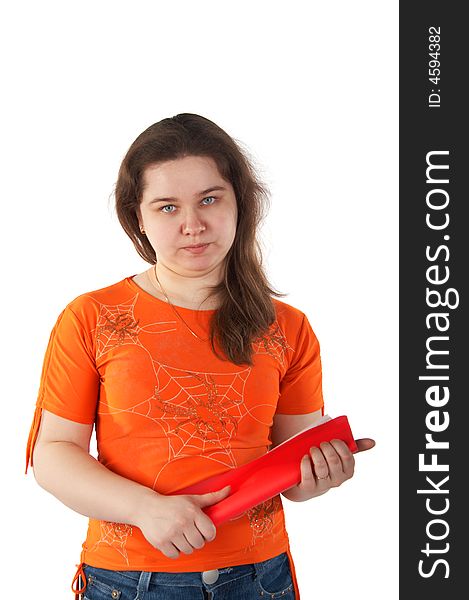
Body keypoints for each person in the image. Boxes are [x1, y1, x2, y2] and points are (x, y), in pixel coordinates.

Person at [25, 113, 375, 599]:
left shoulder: (287, 327)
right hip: (127, 580)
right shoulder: (91, 316)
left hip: (259, 577)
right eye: (167, 207)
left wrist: (321, 474)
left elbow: (293, 476)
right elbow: (53, 454)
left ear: (240, 204)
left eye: (210, 199)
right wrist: (144, 508)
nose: (193, 225)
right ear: (138, 218)